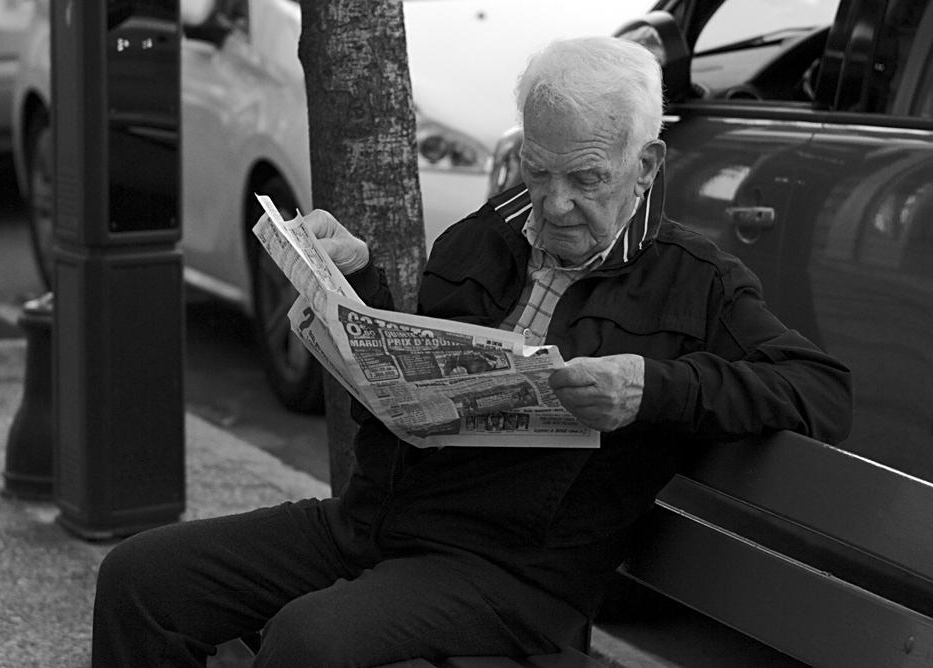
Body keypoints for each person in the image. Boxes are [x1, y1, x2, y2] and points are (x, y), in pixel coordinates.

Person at [90, 36, 853, 667]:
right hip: (375, 525)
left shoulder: (696, 283)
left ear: (644, 166)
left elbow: (822, 392)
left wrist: (651, 388)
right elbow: (412, 381)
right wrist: (357, 294)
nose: (556, 204)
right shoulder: (482, 238)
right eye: (539, 170)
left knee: (310, 642)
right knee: (143, 579)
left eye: (587, 179)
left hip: (511, 575)